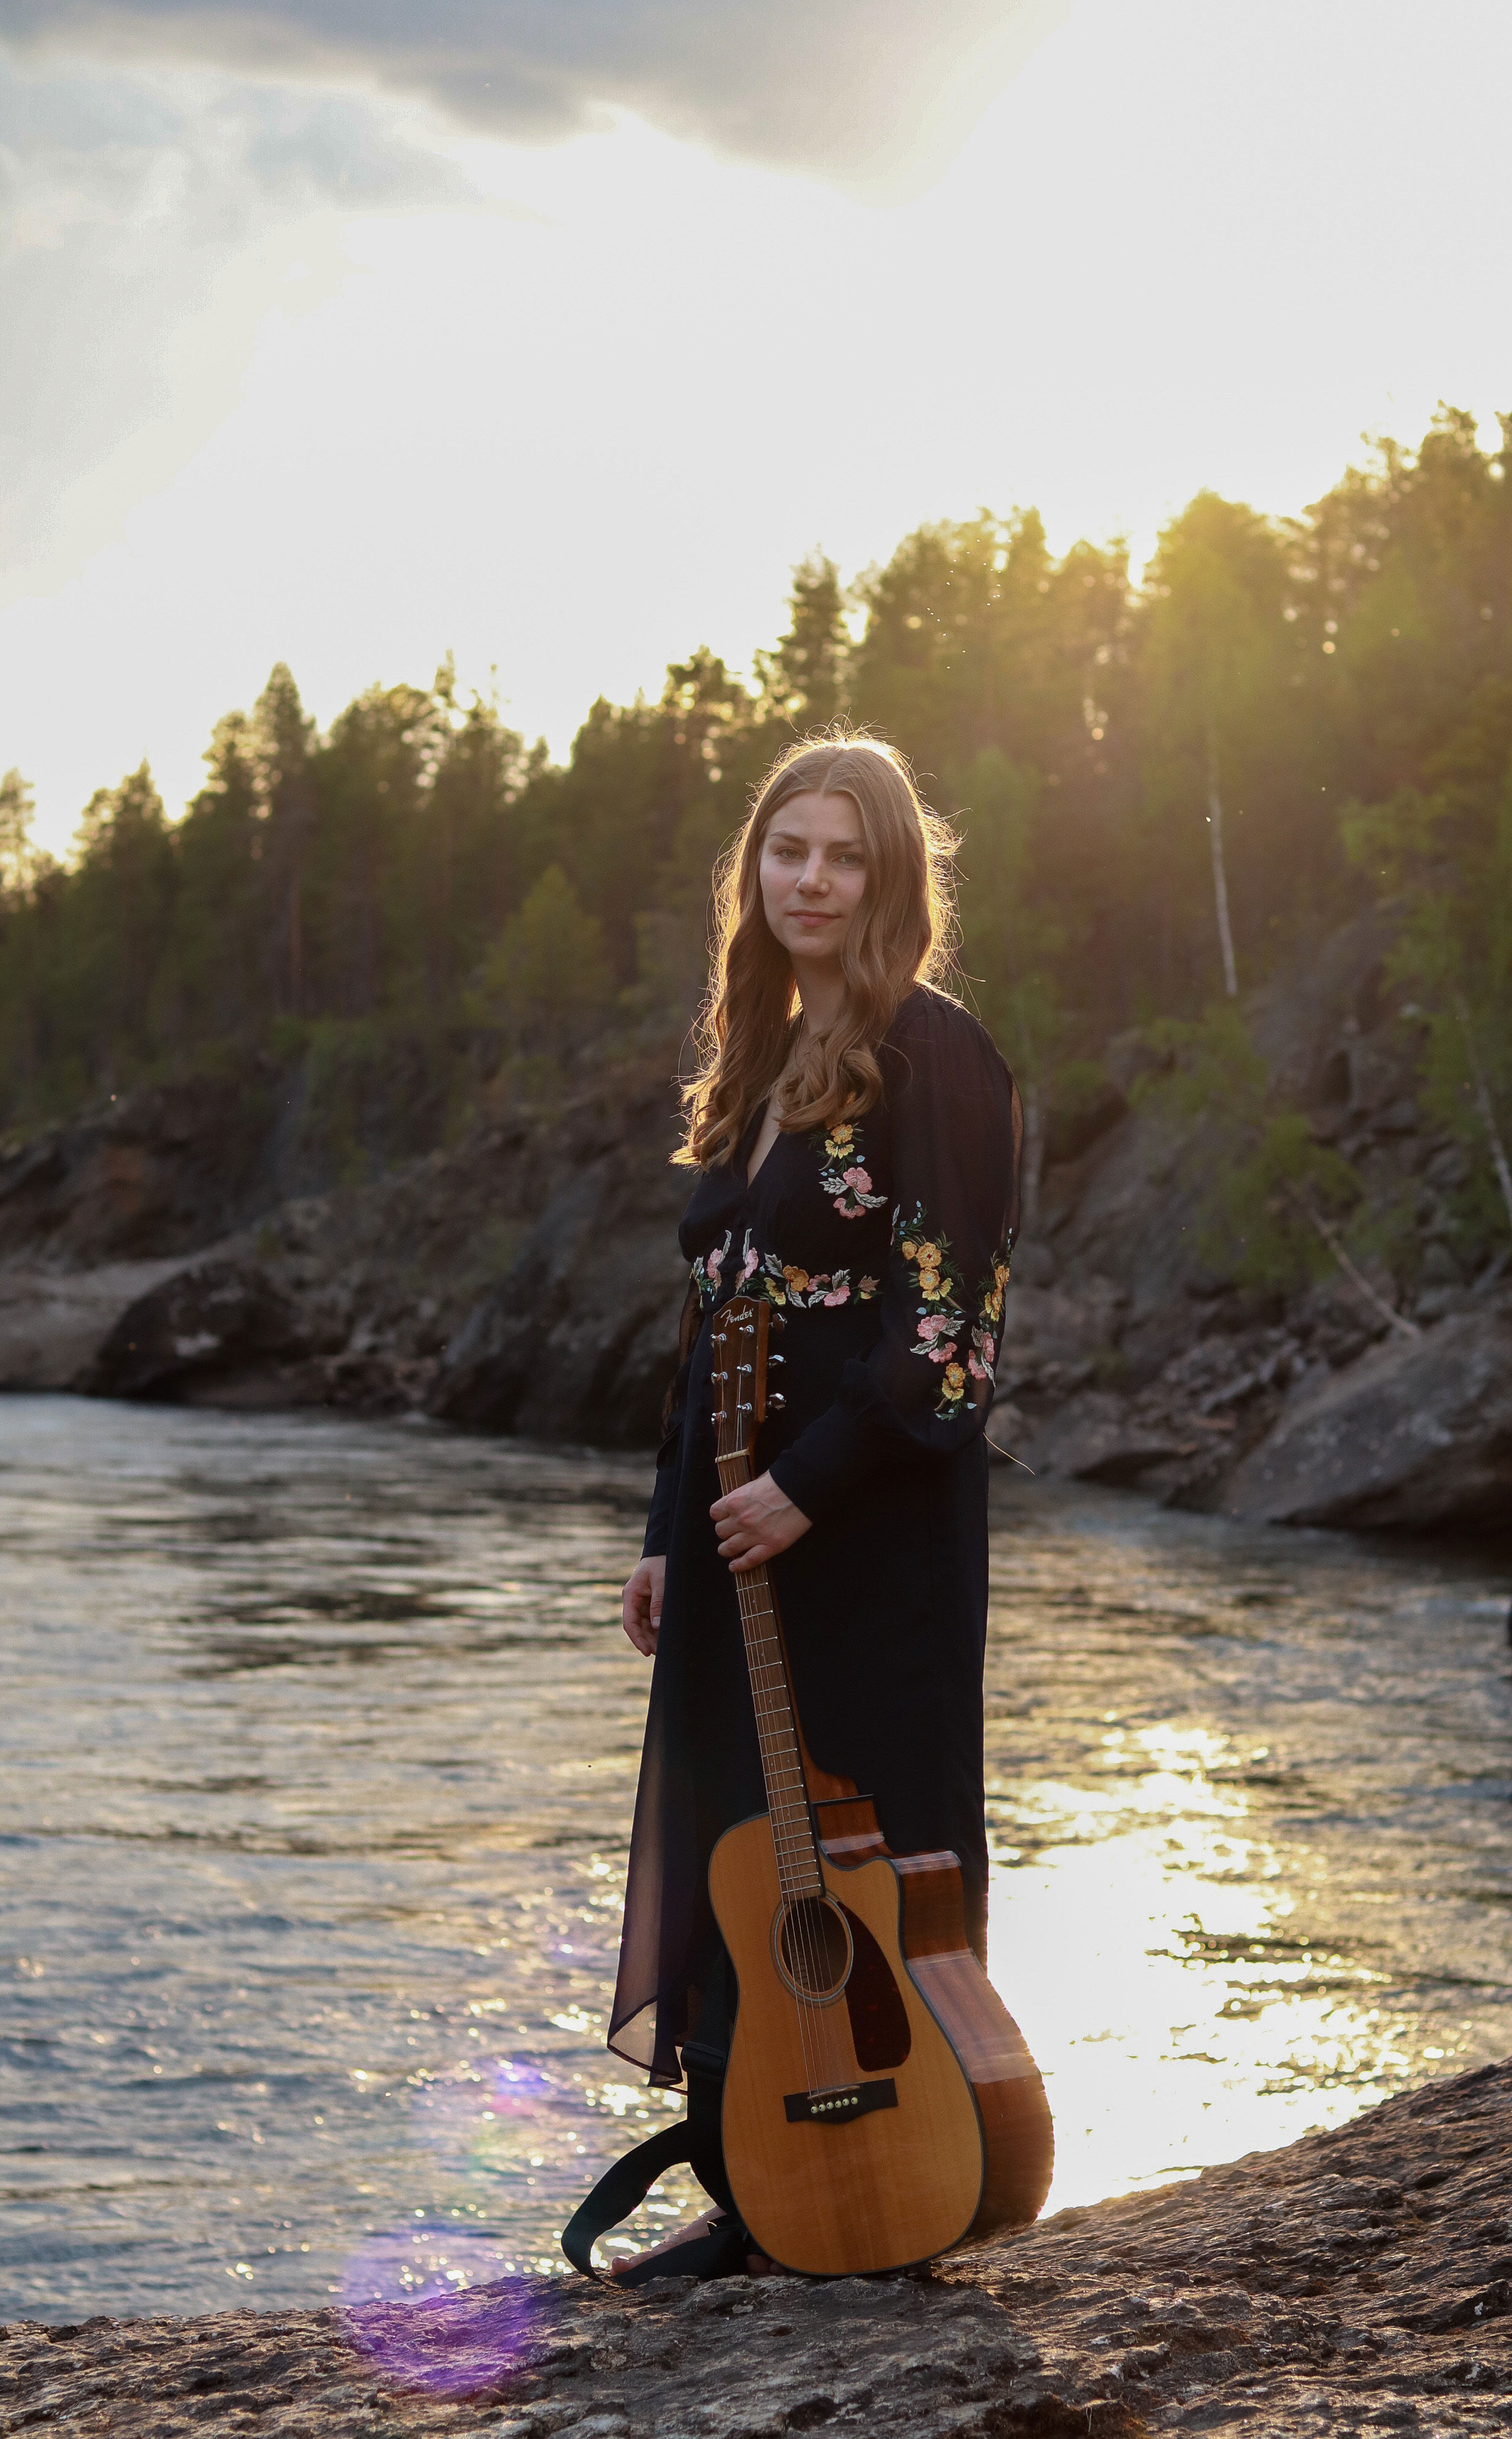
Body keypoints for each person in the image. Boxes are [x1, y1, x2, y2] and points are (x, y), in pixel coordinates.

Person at [601, 733, 1020, 2277]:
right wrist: (672, 1526)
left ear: (890, 878)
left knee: (864, 1848)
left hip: (867, 1535)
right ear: (755, 871)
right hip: (733, 1533)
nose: (814, 881)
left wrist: (801, 1489)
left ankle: (890, 2163)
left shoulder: (938, 1060)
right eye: (790, 852)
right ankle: (744, 2175)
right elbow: (709, 1322)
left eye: (845, 857)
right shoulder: (756, 1063)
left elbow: (948, 1343)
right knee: (735, 1828)